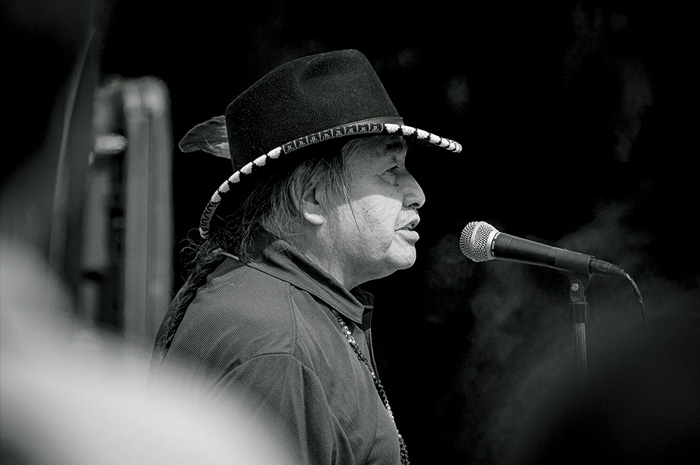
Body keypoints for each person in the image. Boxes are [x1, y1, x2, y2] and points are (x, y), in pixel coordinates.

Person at [150, 49, 462, 465]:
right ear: (312, 196)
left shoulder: (271, 304)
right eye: (392, 170)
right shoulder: (279, 348)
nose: (417, 193)